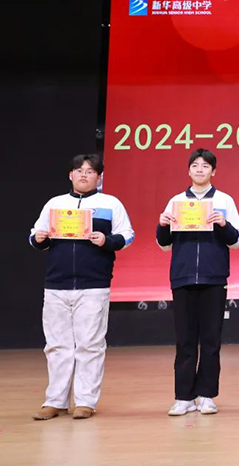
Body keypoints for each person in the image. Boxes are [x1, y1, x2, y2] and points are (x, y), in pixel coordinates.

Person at [29, 154, 135, 420]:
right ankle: (55, 401)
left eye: (90, 171)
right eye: (79, 170)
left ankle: (86, 401)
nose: (84, 174)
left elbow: (127, 235)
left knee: (90, 345)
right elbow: (35, 235)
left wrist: (106, 240)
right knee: (56, 345)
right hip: (56, 284)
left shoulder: (110, 204)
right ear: (70, 175)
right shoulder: (55, 204)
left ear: (99, 177)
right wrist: (39, 238)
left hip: (94, 284)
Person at [157, 148, 239, 416]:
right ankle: (184, 397)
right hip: (182, 277)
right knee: (184, 340)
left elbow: (237, 240)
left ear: (213, 171)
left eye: (205, 166)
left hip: (214, 278)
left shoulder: (225, 200)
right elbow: (163, 245)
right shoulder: (175, 202)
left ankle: (206, 395)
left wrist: (223, 224)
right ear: (188, 170)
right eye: (195, 165)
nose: (200, 170)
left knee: (211, 340)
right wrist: (162, 225)